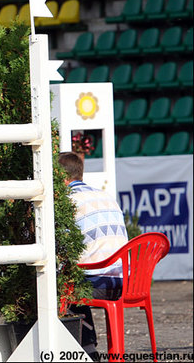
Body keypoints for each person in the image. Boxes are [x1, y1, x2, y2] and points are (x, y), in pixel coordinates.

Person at [58, 152, 129, 359]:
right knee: (74, 280)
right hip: (127, 282)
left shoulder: (67, 202)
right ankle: (89, 349)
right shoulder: (106, 196)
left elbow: (61, 249)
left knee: (59, 286)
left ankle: (84, 350)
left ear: (62, 178)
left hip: (99, 283)